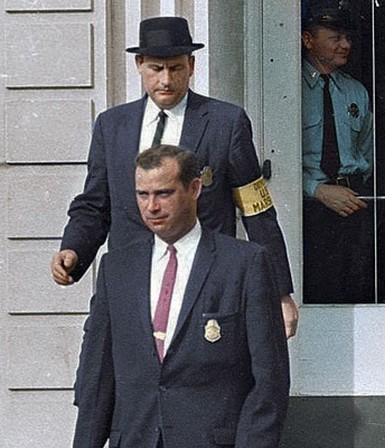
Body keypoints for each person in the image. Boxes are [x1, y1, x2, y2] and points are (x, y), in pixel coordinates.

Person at [64, 145, 290, 448]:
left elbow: (269, 379)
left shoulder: (243, 264)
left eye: (164, 193)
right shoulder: (117, 268)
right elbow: (98, 380)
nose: (152, 206)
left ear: (194, 188)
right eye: (142, 195)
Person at [50, 16, 298, 338]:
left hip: (204, 283)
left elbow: (257, 211)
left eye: (176, 68)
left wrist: (280, 292)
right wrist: (74, 249)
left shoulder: (226, 123)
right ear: (139, 65)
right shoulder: (112, 126)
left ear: (192, 66)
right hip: (130, 283)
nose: (166, 80)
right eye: (156, 68)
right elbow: (95, 204)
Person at [301, 0, 375, 303]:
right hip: (308, 208)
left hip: (351, 205)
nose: (345, 44)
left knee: (353, 292)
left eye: (348, 37)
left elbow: (365, 154)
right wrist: (315, 190)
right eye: (335, 37)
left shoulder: (355, 91)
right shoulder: (290, 90)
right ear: (308, 39)